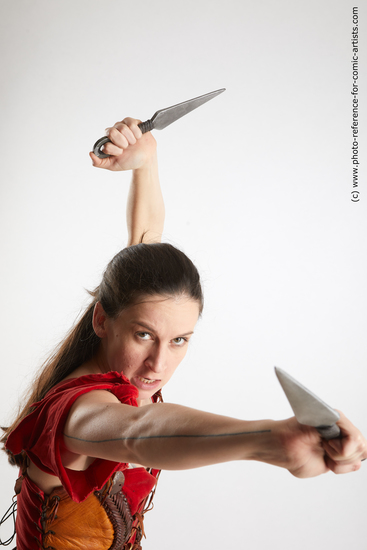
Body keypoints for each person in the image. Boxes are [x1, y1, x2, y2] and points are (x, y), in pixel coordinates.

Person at [1, 118, 366, 550]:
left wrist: (146, 162)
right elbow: (140, 432)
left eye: (179, 340)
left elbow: (143, 243)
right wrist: (267, 439)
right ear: (102, 320)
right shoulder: (76, 411)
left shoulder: (124, 352)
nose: (159, 364)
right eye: (143, 336)